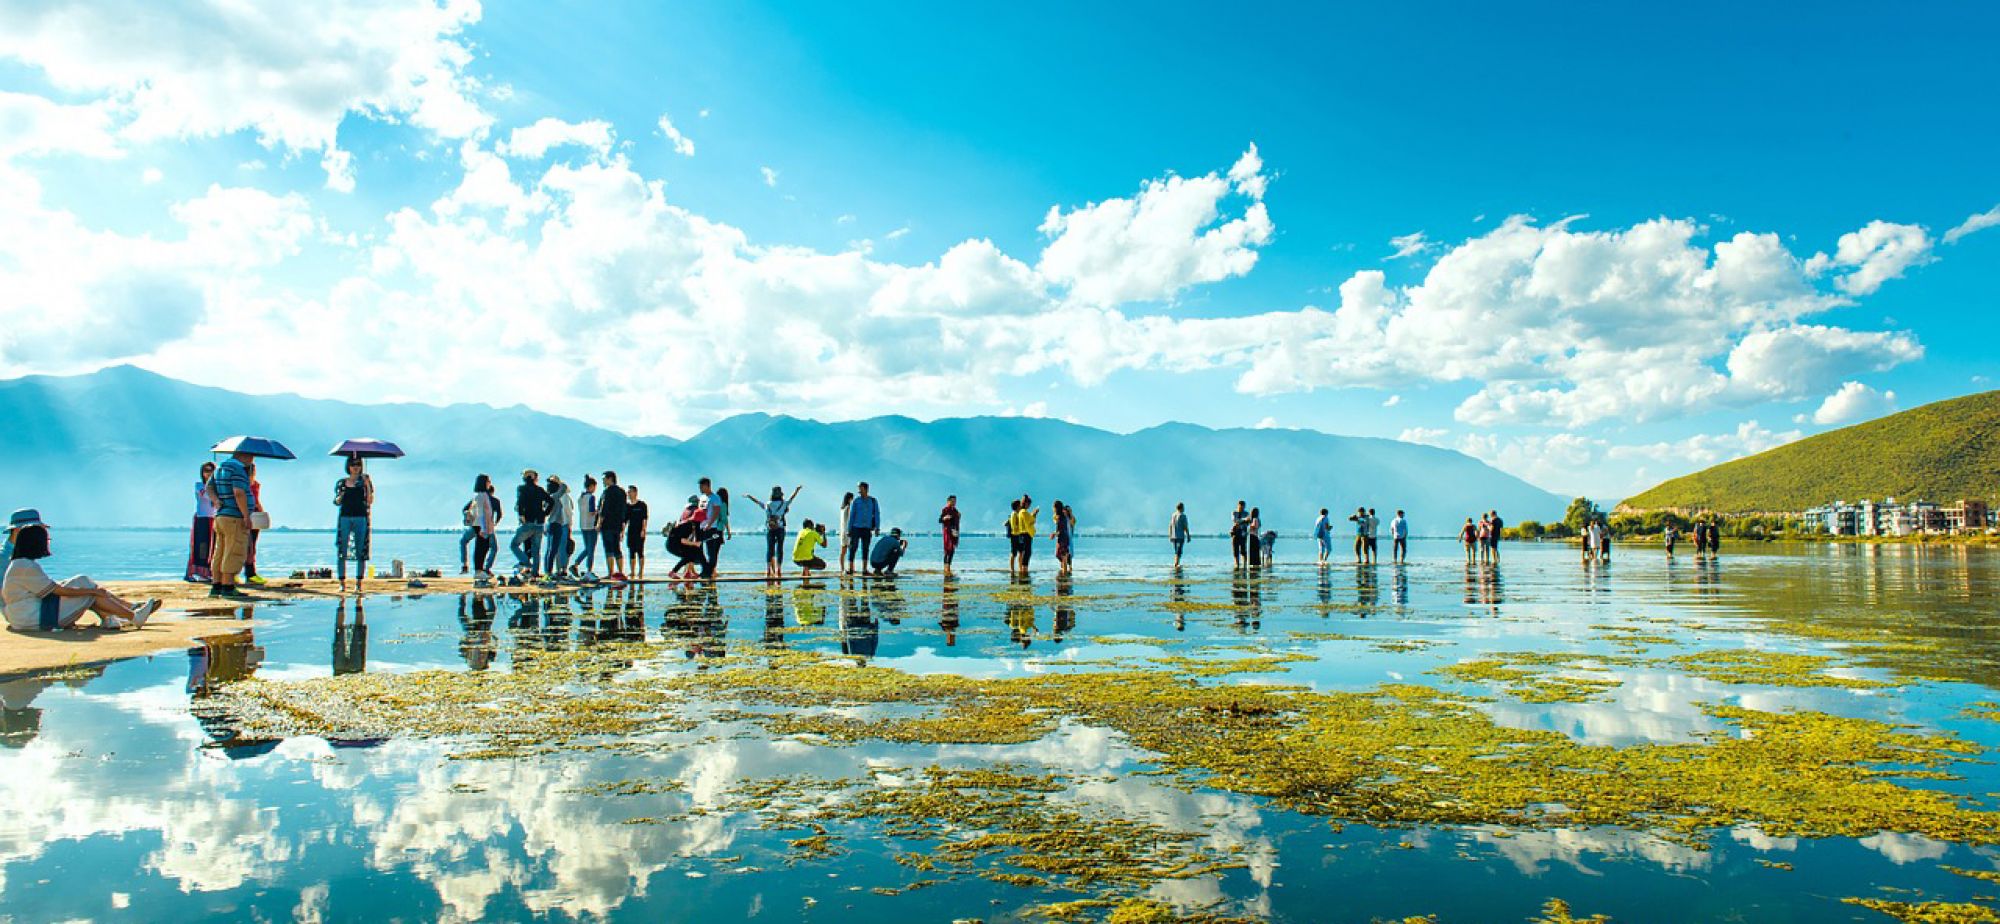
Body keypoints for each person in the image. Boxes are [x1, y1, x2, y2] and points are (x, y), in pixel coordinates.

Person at [3, 517, 159, 632]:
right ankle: (133, 616)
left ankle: (115, 617)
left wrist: (89, 590)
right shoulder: (24, 566)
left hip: (26, 614)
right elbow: (57, 590)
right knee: (88, 590)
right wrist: (92, 591)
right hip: (32, 618)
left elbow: (49, 587)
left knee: (82, 581)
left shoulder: (22, 564)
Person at [207, 448, 256, 599]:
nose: (252, 459)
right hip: (234, 516)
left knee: (220, 552)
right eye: (251, 455)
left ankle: (217, 585)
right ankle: (228, 586)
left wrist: (216, 500)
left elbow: (209, 487)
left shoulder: (221, 467)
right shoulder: (237, 469)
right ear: (244, 455)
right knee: (234, 550)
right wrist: (246, 516)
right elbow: (238, 492)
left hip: (221, 516)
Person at [334, 456, 374, 594]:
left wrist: (368, 484)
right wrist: (341, 496)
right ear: (348, 466)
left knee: (360, 551)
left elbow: (370, 501)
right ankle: (342, 583)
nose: (355, 467)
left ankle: (359, 583)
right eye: (353, 464)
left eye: (358, 464)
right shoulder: (342, 483)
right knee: (342, 551)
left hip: (360, 517)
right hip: (345, 517)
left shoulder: (364, 482)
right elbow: (337, 501)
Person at [746, 485, 803, 579]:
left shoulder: (768, 504)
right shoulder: (783, 503)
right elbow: (792, 498)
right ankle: (779, 570)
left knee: (770, 549)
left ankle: (768, 570)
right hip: (780, 528)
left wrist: (749, 496)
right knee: (780, 549)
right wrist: (797, 490)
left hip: (770, 529)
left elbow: (758, 502)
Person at [511, 470, 550, 578]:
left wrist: (521, 515)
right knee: (536, 550)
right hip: (539, 523)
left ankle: (526, 563)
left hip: (528, 522)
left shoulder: (522, 489)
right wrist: (545, 513)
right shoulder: (540, 490)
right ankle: (535, 573)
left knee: (514, 544)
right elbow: (551, 501)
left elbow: (520, 502)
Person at [187, 461, 216, 583]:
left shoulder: (216, 487)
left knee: (212, 546)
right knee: (201, 546)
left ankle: (209, 571)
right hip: (202, 518)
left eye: (211, 470)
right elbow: (207, 495)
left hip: (213, 518)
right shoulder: (199, 485)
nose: (208, 473)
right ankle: (197, 572)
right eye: (206, 470)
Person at [468, 475, 499, 583]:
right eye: (488, 481)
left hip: (485, 525)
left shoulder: (484, 495)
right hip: (480, 525)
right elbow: (480, 513)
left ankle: (480, 570)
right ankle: (478, 570)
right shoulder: (481, 496)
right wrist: (483, 527)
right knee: (480, 547)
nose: (489, 483)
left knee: (485, 547)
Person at [543, 476, 573, 583]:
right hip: (556, 524)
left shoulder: (548, 497)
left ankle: (547, 571)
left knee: (550, 549)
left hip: (551, 524)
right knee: (553, 550)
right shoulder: (555, 496)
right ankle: (549, 572)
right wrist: (559, 482)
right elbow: (564, 487)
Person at [665, 500, 705, 579]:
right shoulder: (689, 525)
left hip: (675, 543)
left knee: (691, 553)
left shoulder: (687, 516)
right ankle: (674, 572)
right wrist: (695, 544)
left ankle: (687, 572)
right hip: (673, 544)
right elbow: (682, 540)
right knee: (690, 554)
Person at [598, 471, 628, 582]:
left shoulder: (607, 492)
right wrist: (623, 525)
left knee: (608, 549)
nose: (603, 481)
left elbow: (603, 508)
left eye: (604, 479)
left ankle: (610, 573)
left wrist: (599, 523)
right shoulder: (622, 492)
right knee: (617, 549)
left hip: (607, 524)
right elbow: (625, 510)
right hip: (618, 524)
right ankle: (620, 572)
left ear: (610, 479)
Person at [845, 483, 880, 574]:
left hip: (867, 528)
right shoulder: (856, 501)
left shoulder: (873, 501)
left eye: (860, 488)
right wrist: (849, 529)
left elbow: (876, 514)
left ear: (865, 489)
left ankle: (864, 569)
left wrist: (877, 527)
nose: (859, 490)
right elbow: (852, 516)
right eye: (858, 488)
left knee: (865, 548)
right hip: (856, 527)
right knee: (853, 548)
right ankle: (850, 568)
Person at [572, 475, 601, 577]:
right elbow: (592, 511)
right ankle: (589, 571)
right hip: (591, 526)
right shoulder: (591, 497)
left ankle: (576, 564)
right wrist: (599, 511)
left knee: (588, 548)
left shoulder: (581, 497)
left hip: (583, 525)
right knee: (591, 550)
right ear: (592, 486)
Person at [702, 485, 731, 579]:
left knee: (710, 551)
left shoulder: (712, 503)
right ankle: (712, 571)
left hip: (709, 529)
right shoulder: (723, 505)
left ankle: (710, 570)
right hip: (718, 530)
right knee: (715, 552)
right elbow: (724, 519)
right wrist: (729, 531)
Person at [625, 486, 649, 580]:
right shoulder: (628, 506)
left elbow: (645, 518)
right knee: (631, 551)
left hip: (640, 531)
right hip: (631, 531)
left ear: (635, 492)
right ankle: (632, 571)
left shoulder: (642, 505)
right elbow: (625, 520)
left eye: (630, 492)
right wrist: (622, 531)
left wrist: (643, 530)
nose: (628, 494)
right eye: (628, 492)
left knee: (640, 551)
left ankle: (641, 571)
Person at [1012, 495, 1040, 574]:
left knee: (1025, 552)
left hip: (1022, 534)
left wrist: (1033, 515)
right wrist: (1034, 514)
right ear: (1026, 504)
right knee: (1027, 553)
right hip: (1026, 535)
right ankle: (1024, 570)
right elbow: (1031, 521)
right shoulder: (1024, 512)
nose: (1029, 506)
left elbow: (1029, 519)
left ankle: (1023, 569)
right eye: (1029, 504)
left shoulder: (1021, 512)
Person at [1051, 502, 1076, 575]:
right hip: (1063, 538)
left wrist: (1070, 513)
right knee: (1061, 555)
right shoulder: (1060, 517)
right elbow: (1055, 519)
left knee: (1066, 556)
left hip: (1067, 538)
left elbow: (1072, 522)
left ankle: (1066, 571)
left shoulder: (1068, 519)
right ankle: (1064, 570)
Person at [938, 495, 961, 574]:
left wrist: (958, 516)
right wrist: (944, 518)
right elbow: (940, 520)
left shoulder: (955, 511)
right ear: (948, 501)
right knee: (948, 549)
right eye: (953, 501)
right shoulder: (945, 509)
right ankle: (946, 568)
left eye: (955, 501)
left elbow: (956, 521)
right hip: (947, 532)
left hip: (954, 532)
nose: (954, 502)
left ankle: (948, 567)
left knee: (952, 550)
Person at [837, 491, 856, 568]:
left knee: (843, 552)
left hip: (842, 532)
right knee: (851, 552)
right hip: (848, 532)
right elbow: (849, 520)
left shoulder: (842, 508)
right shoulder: (848, 508)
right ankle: (851, 568)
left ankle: (842, 568)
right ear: (849, 499)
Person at [1169, 503, 1191, 568]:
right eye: (1183, 507)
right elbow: (1185, 526)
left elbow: (1171, 526)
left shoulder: (1173, 515)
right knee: (1179, 551)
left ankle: (1176, 563)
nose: (1184, 508)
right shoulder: (1183, 516)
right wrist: (1188, 535)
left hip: (1174, 536)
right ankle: (1176, 564)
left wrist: (1170, 535)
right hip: (1180, 536)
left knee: (1176, 551)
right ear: (1181, 508)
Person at [1230, 500, 1250, 566]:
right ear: (1238, 505)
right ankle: (1237, 564)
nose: (1242, 508)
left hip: (1243, 533)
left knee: (1243, 550)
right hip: (1235, 533)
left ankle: (1245, 564)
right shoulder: (1234, 512)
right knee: (1235, 550)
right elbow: (1235, 520)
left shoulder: (1246, 513)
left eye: (1243, 506)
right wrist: (1244, 520)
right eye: (1241, 506)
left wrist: (1241, 522)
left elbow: (1248, 522)